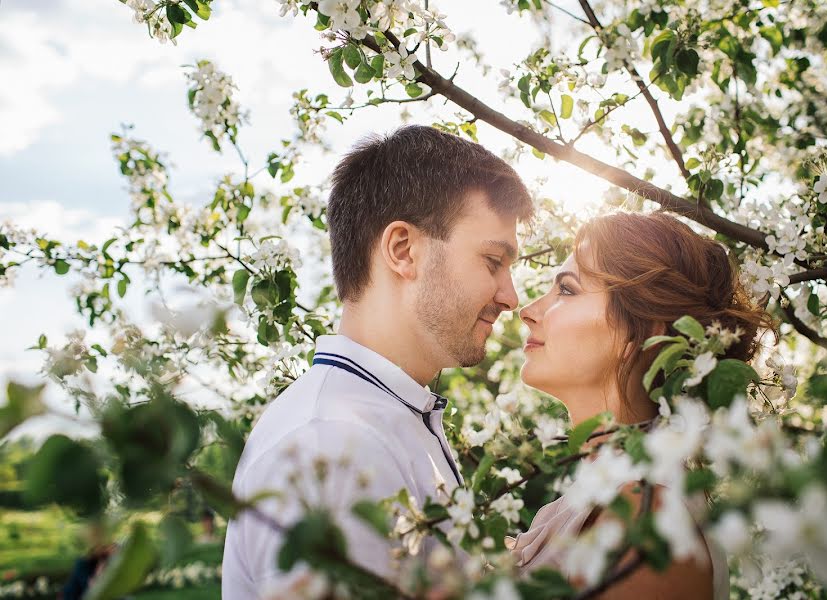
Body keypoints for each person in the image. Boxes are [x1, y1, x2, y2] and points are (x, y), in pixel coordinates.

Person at [222, 125, 534, 597]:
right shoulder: (333, 447)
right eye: (493, 262)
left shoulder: (391, 415)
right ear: (403, 250)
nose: (510, 297)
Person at [508, 211, 772, 599]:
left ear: (643, 332)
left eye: (567, 290)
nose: (527, 310)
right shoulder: (601, 495)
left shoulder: (645, 517)